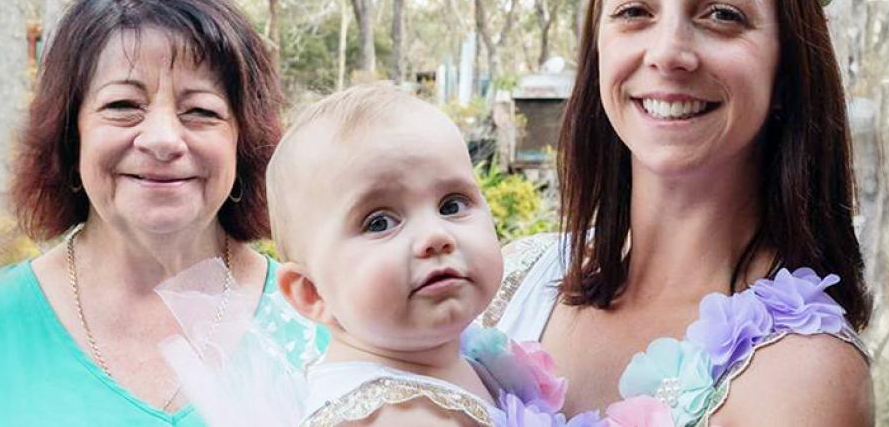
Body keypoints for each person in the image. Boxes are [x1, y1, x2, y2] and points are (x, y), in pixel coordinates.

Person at [482, 0, 873, 426]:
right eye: (634, 11)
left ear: (787, 67)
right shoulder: (507, 280)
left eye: (721, 14)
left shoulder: (804, 373)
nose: (667, 52)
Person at [0, 0, 328, 425]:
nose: (162, 139)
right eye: (122, 106)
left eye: (201, 111)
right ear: (70, 137)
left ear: (244, 143)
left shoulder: (329, 323)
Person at [163, 83, 606, 426]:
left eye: (452, 205)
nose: (435, 236)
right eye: (379, 222)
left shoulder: (441, 363)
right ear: (311, 292)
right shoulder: (399, 416)